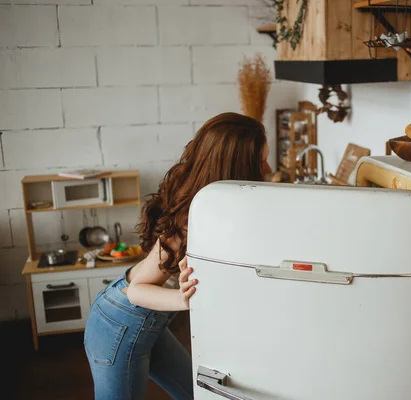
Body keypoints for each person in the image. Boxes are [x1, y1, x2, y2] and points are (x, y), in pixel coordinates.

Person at [84, 112, 272, 400]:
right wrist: (184, 300)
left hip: (149, 322)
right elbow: (137, 291)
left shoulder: (212, 209)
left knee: (195, 395)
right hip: (118, 322)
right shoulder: (187, 223)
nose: (268, 168)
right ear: (238, 166)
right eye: (261, 162)